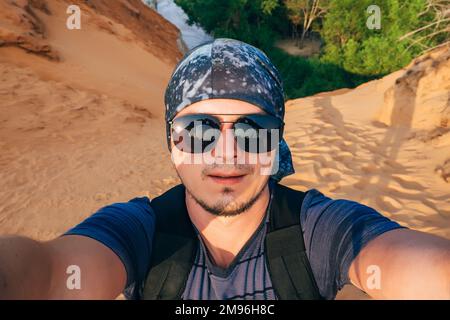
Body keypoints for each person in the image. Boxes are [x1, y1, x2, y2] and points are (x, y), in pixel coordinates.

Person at [0, 38, 449, 300]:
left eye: (253, 128)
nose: (228, 152)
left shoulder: (318, 230)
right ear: (172, 143)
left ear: (276, 142)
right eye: (200, 130)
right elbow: (46, 275)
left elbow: (407, 263)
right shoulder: (138, 231)